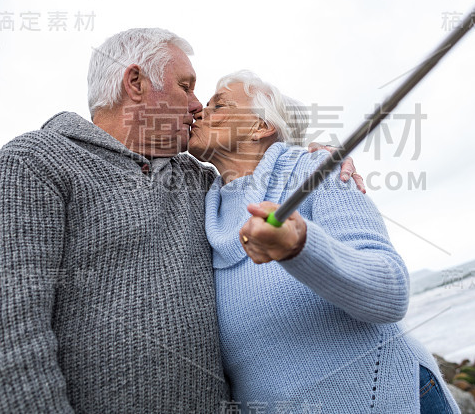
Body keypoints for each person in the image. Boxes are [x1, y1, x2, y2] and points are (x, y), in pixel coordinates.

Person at [0, 28, 362, 413]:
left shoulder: (201, 179)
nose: (197, 104)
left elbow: (257, 173)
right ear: (135, 82)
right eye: (185, 86)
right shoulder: (37, 160)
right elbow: (3, 341)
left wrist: (313, 155)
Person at [187, 70, 460, 414]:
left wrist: (299, 247)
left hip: (390, 398)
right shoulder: (198, 205)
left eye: (219, 104)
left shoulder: (318, 171)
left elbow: (390, 292)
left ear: (260, 127)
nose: (199, 111)